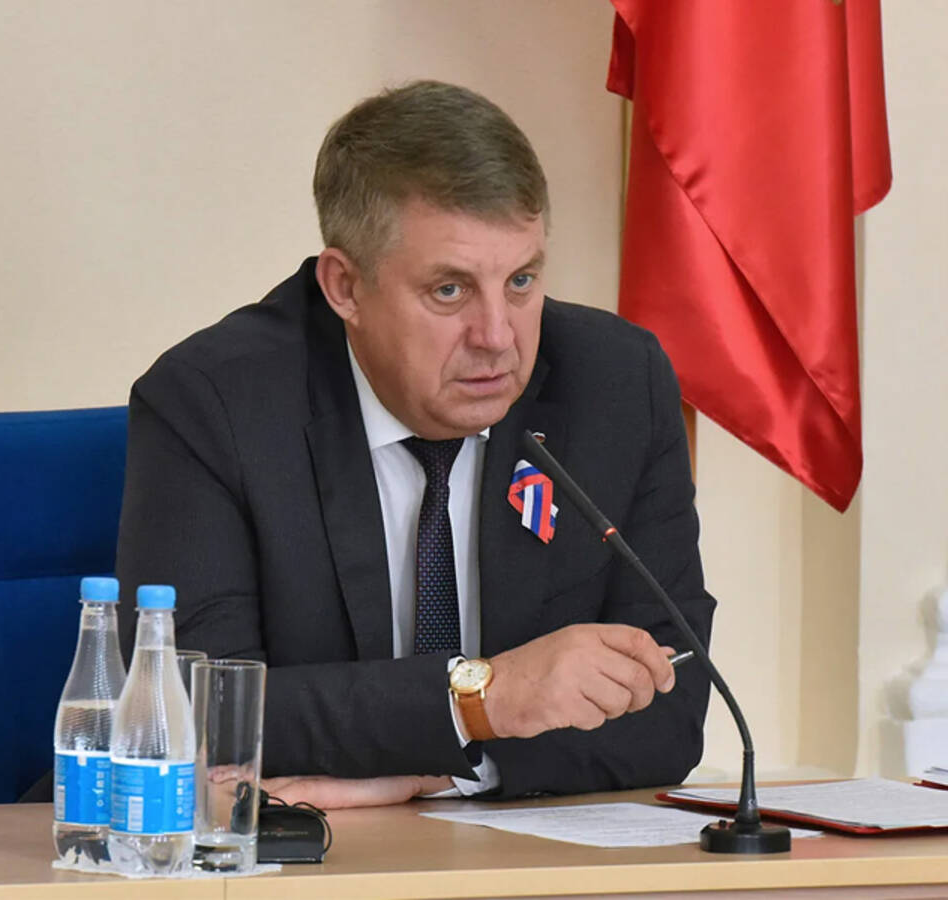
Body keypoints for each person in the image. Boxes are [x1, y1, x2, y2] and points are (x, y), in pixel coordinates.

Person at [115, 80, 715, 807]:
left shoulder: (616, 384)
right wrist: (481, 699)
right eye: (449, 291)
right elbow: (189, 707)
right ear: (345, 286)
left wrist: (446, 768)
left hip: (502, 850)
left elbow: (673, 703)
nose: (498, 337)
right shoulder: (215, 403)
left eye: (521, 280)